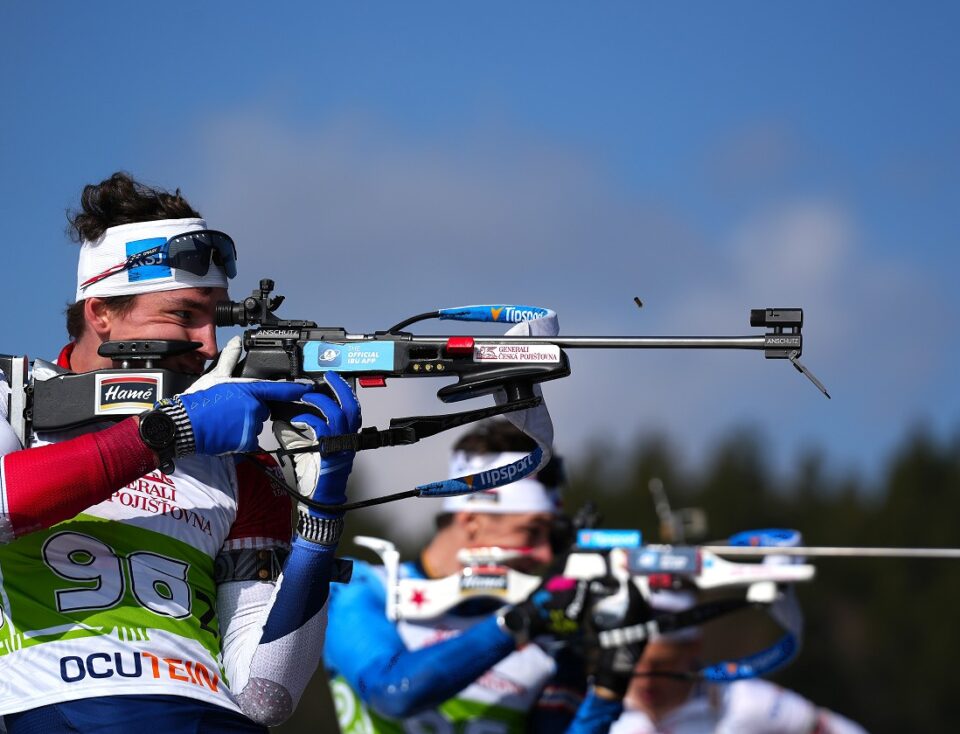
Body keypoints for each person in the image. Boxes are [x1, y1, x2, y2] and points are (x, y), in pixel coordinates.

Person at [0, 172, 360, 732]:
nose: (211, 344)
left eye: (219, 316)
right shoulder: (13, 394)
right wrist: (166, 433)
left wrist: (321, 518)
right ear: (101, 313)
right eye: (183, 315)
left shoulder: (240, 463)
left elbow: (266, 695)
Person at [324, 420, 646, 733]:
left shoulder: (544, 632)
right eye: (531, 532)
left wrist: (608, 689)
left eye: (554, 539)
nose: (546, 555)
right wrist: (521, 621)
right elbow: (393, 692)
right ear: (473, 522)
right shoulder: (365, 587)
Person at [609, 591, 868, 734]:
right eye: (631, 663)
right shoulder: (597, 704)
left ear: (693, 649)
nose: (644, 677)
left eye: (659, 665)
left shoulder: (742, 700)